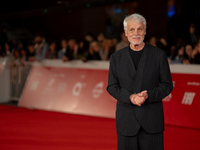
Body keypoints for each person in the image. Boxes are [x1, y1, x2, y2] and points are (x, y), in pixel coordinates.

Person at [107, 13, 173, 150]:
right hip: (126, 121)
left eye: (139, 29)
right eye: (131, 29)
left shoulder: (158, 55)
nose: (135, 33)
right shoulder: (116, 58)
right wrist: (130, 97)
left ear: (145, 30)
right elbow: (112, 87)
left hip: (152, 120)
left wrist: (149, 95)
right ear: (125, 32)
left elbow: (167, 85)